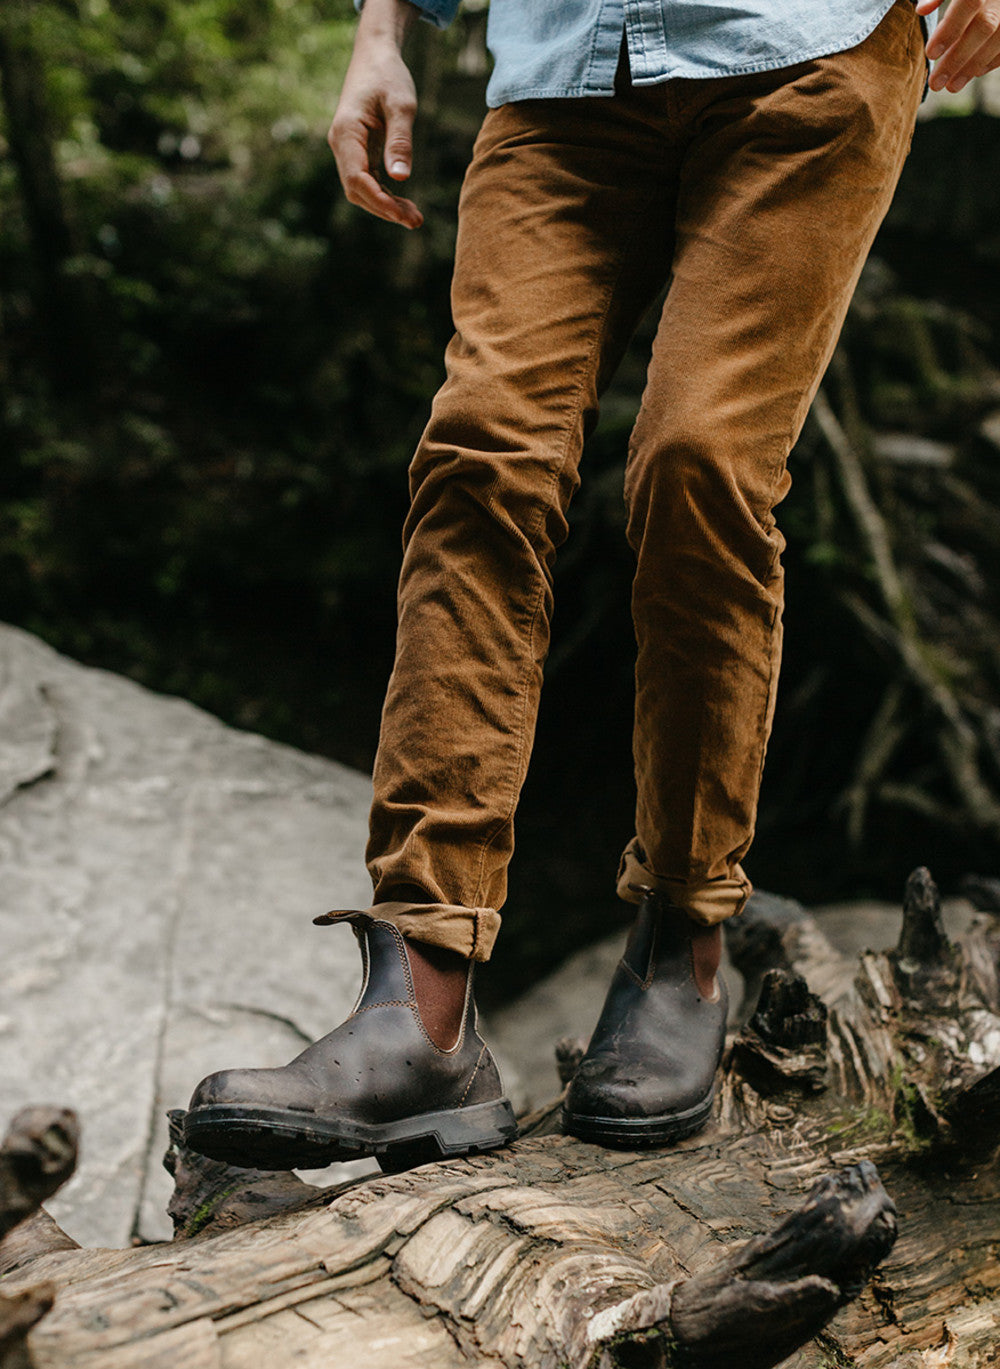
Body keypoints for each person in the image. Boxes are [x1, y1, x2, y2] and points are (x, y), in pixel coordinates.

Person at [183, 0, 1000, 1172]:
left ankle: (684, 937)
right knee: (478, 456)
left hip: (805, 52)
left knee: (699, 462)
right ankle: (418, 1008)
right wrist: (380, 32)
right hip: (563, 61)